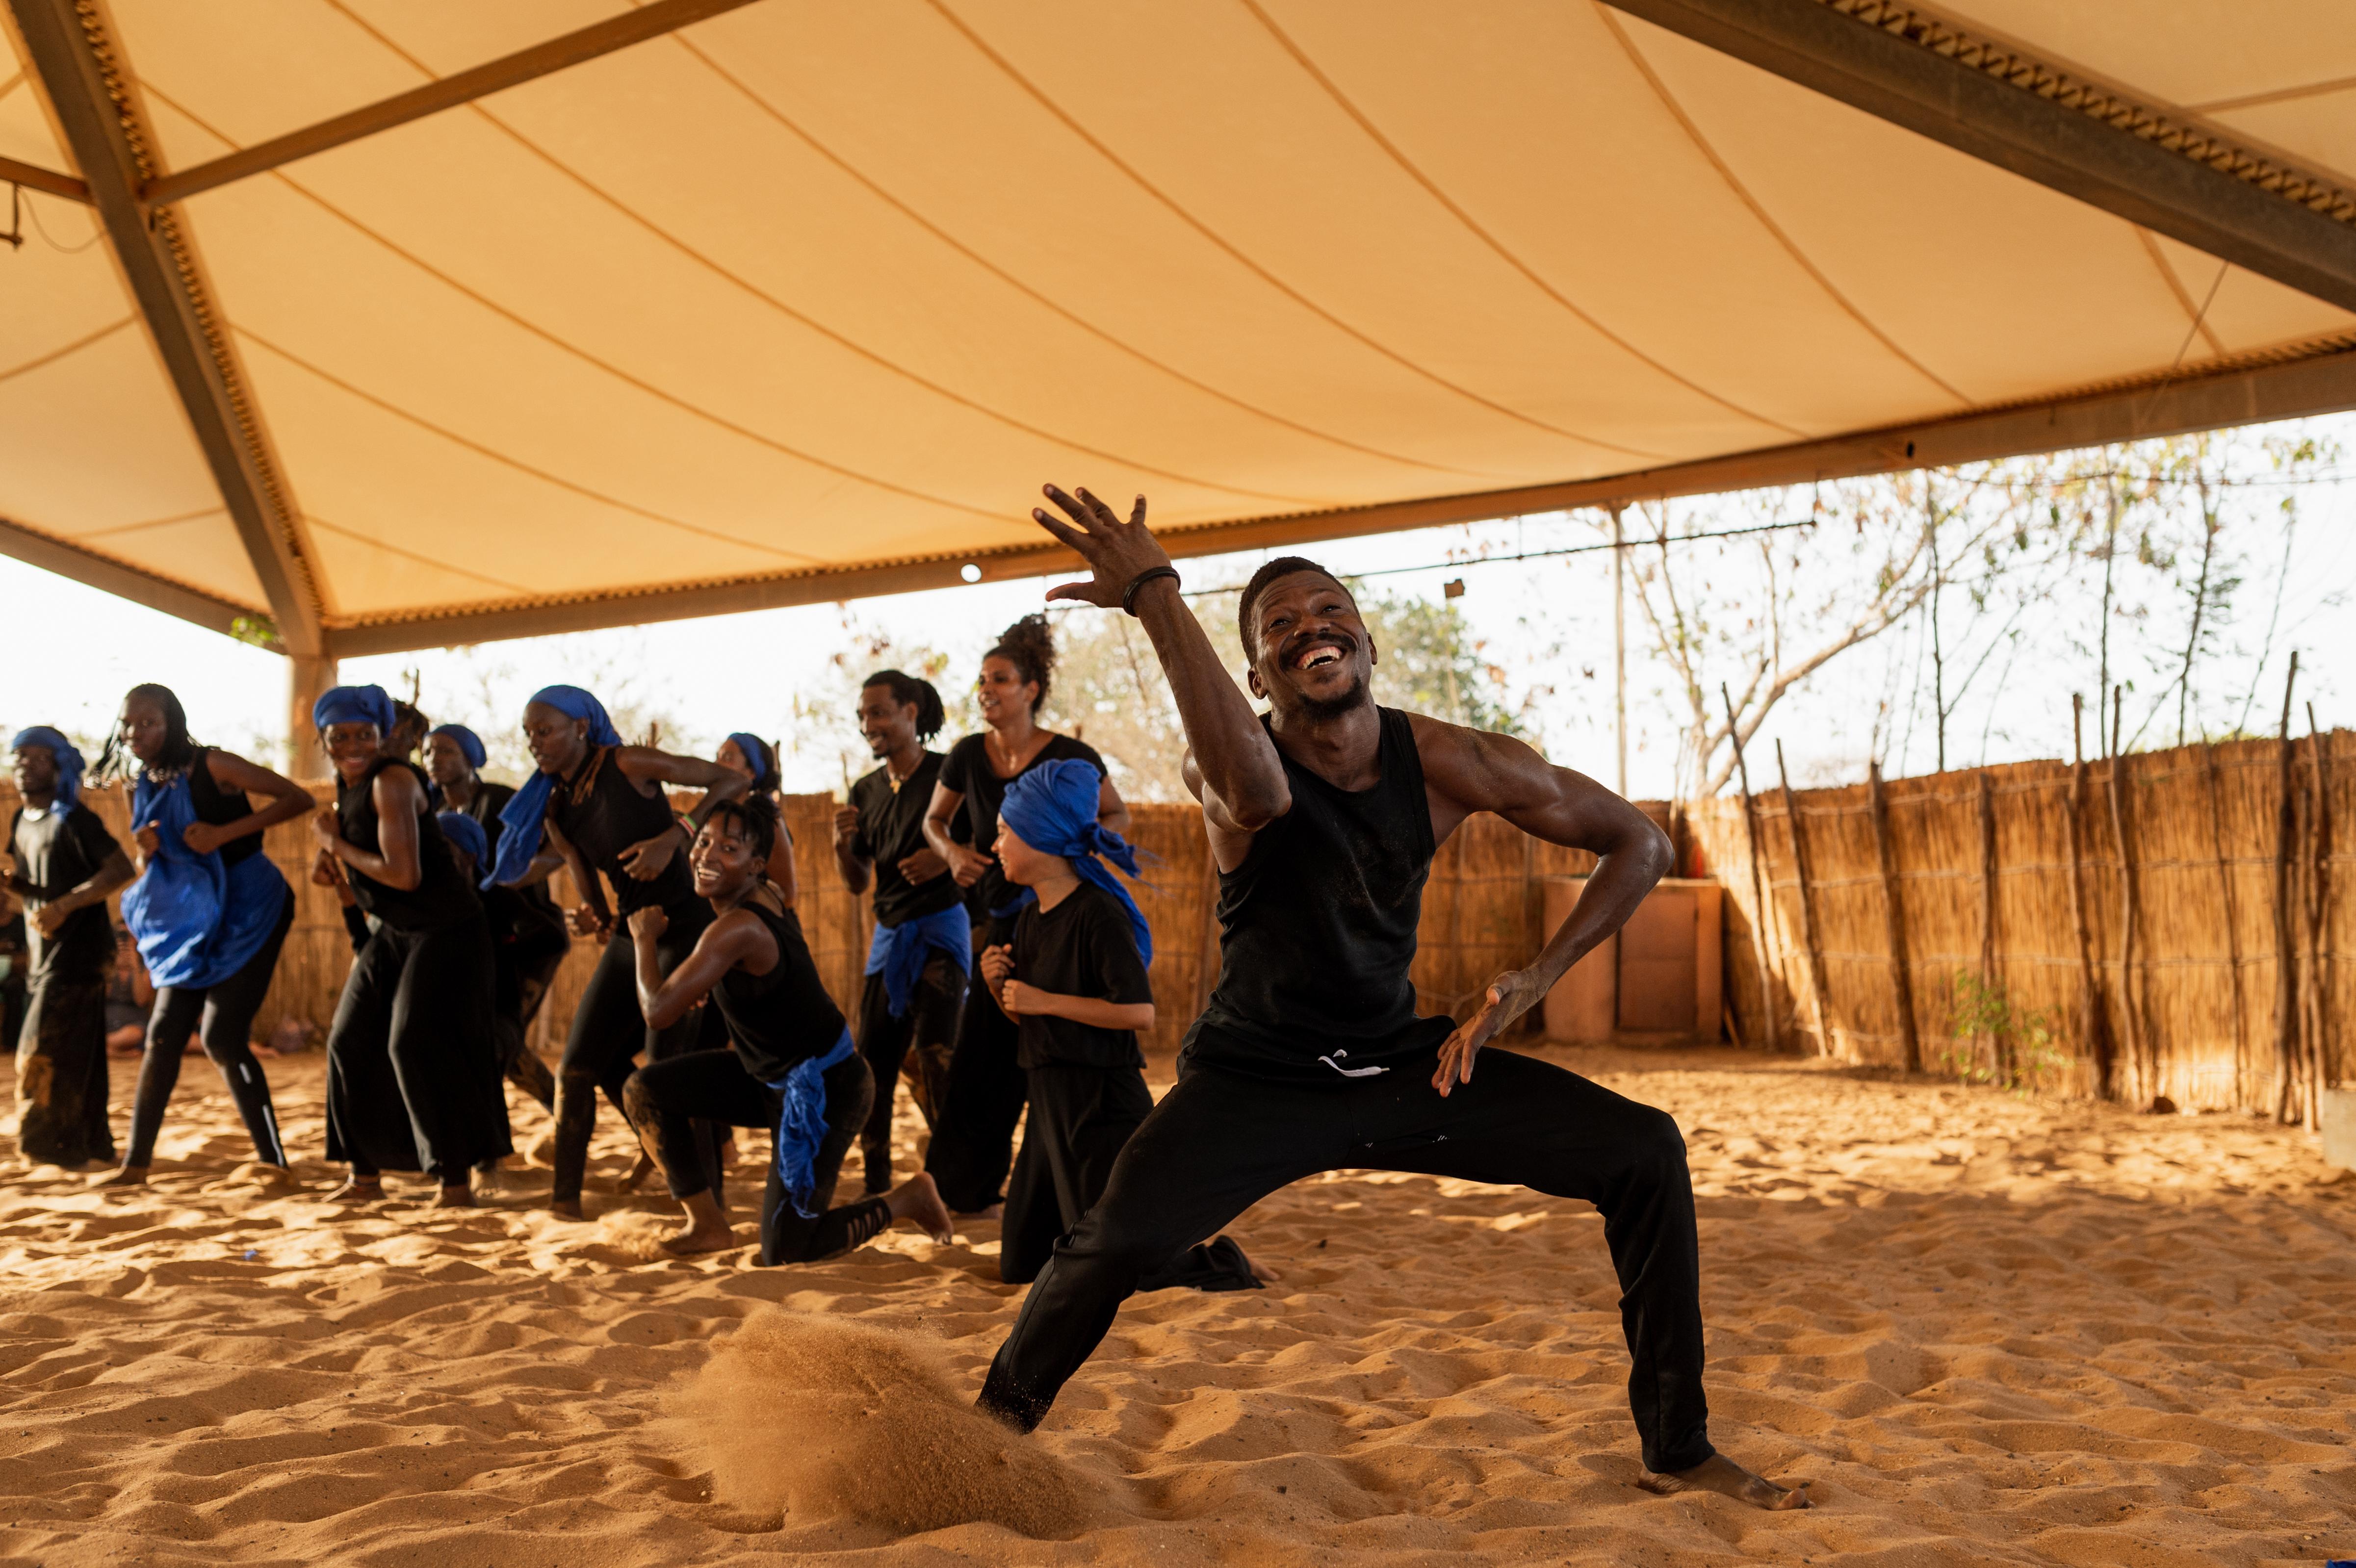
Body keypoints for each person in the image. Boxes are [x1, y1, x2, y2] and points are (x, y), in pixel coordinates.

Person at [972, 487, 1809, 1512]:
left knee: (1645, 1149)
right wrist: (1155, 593)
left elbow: (1637, 842)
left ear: (1363, 639)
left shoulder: (1456, 760)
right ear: (1255, 675)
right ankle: (981, 1437)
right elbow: (1253, 798)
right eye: (1277, 626)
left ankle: (1676, 1445)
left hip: (1406, 1065)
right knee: (1112, 1245)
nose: (1308, 627)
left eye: (1327, 612)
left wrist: (1536, 976)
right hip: (1254, 1076)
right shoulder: (1226, 755)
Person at [619, 796, 955, 1259]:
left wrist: (643, 939)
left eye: (729, 848)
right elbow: (781, 870)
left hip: (829, 1089)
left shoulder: (737, 928)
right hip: (768, 1078)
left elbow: (657, 1011)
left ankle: (907, 1198)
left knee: (787, 1248)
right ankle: (707, 1226)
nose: (708, 855)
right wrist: (765, 809)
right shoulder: (772, 894)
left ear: (756, 865)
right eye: (704, 841)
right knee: (645, 1090)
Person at [983, 758, 1260, 1292]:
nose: (996, 846)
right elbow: (1029, 1015)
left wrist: (1042, 999)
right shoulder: (1029, 915)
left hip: (1099, 1103)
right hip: (1047, 1100)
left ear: (1039, 836)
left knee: (1127, 1270)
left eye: (1003, 833)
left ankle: (1220, 1258)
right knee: (1020, 1263)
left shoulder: (1098, 913)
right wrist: (1003, 989)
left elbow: (1140, 1014)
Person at [483, 686, 750, 1219]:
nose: (536, 742)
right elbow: (585, 877)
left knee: (666, 1071)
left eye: (546, 729)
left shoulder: (627, 762)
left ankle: (707, 1208)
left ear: (582, 727)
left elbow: (734, 780)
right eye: (529, 733)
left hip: (684, 928)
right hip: (635, 933)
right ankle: (565, 1204)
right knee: (580, 1065)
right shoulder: (555, 803)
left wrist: (678, 834)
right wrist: (590, 913)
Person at [922, 616, 1129, 1215]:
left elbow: (1117, 817)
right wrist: (953, 851)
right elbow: (935, 822)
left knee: (1045, 1047)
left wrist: (1076, 848)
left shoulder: (1071, 755)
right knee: (978, 1058)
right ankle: (962, 1191)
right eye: (983, 680)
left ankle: (1068, 1188)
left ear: (1031, 688)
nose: (987, 689)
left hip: (1054, 916)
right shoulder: (965, 755)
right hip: (991, 919)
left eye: (1001, 679)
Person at [101, 683, 310, 1185]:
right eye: (128, 723)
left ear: (172, 721)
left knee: (221, 1035)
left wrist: (224, 834)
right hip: (188, 918)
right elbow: (149, 860)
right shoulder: (140, 782)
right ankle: (136, 1165)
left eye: (149, 722)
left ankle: (273, 1163)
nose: (136, 733)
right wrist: (146, 851)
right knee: (163, 1033)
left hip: (250, 907)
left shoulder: (214, 765)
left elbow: (296, 797)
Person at [310, 685, 510, 1206]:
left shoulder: (394, 781)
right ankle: (364, 1175)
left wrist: (336, 845)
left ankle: (455, 1180)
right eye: (340, 736)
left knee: (415, 1043)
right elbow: (366, 868)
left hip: (447, 929)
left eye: (364, 734)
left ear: (381, 737)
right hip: (398, 930)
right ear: (324, 741)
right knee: (348, 1040)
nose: (353, 744)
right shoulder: (347, 781)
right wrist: (336, 865)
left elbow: (403, 874)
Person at [832, 672, 964, 1195]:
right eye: (864, 715)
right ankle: (877, 1182)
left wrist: (944, 857)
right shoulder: (863, 790)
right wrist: (841, 845)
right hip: (889, 936)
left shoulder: (948, 773)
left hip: (941, 929)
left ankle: (957, 1177)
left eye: (880, 712)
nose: (870, 725)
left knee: (937, 1054)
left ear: (912, 712)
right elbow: (858, 881)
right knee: (873, 1063)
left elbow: (983, 839)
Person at [422, 724, 566, 1122]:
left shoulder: (500, 801)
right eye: (429, 751)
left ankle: (555, 1118)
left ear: (472, 757)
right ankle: (565, 1113)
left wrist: (510, 885)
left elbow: (553, 848)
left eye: (448, 750)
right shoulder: (436, 814)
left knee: (498, 1038)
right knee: (492, 1041)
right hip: (482, 939)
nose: (436, 759)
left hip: (526, 933)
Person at [7, 728, 134, 1169]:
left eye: (37, 758)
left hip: (80, 954)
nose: (24, 765)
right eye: (18, 756)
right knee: (80, 1055)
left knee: (39, 1052)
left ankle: (46, 1147)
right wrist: (16, 886)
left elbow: (120, 869)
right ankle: (90, 1144)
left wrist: (65, 906)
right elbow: (40, 885)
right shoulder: (21, 820)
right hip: (45, 956)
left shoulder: (75, 819)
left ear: (60, 764)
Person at [716, 732, 797, 907]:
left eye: (727, 758)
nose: (717, 765)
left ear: (751, 772)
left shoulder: (766, 821)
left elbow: (787, 894)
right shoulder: (717, 817)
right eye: (718, 757)